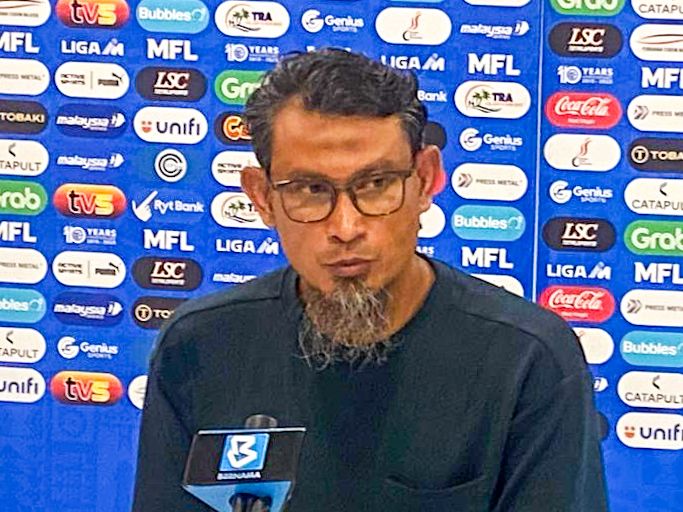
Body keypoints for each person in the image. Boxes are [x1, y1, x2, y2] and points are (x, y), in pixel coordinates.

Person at [133, 49, 608, 511]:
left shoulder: (528, 359)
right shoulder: (199, 346)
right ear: (261, 198)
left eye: (376, 184)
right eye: (310, 189)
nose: (345, 227)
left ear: (425, 180)